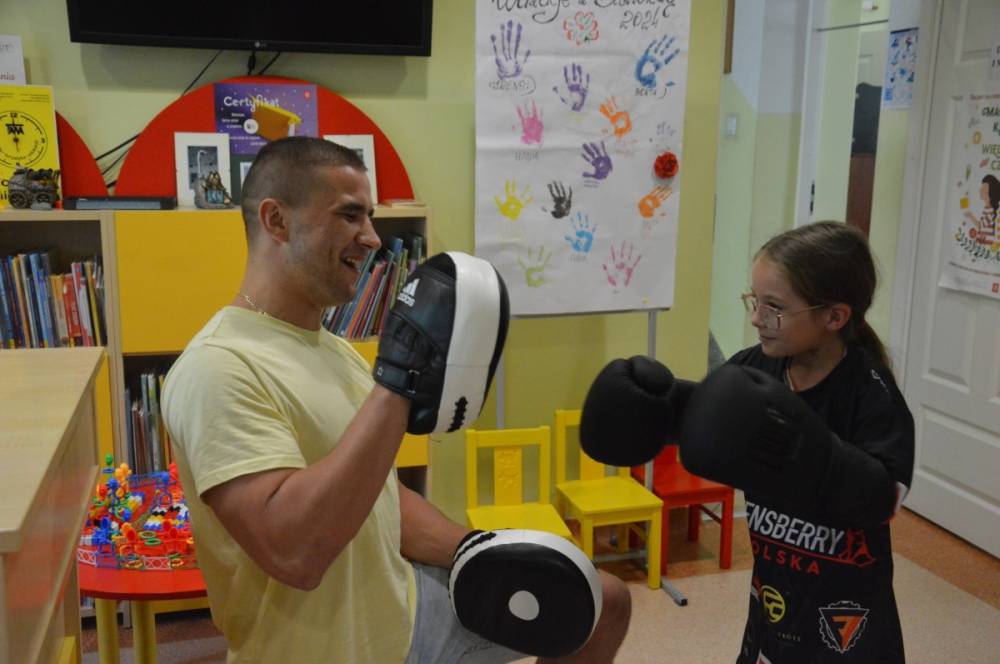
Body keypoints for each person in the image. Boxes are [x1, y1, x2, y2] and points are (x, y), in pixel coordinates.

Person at [160, 136, 631, 664]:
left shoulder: (334, 349)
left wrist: (477, 551)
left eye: (370, 217)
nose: (371, 238)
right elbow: (294, 555)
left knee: (599, 602)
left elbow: (379, 493)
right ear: (277, 221)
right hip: (325, 651)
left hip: (405, 610)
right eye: (350, 215)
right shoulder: (219, 367)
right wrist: (397, 381)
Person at [579, 221, 914, 662]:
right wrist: (661, 409)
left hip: (848, 612)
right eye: (755, 301)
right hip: (773, 594)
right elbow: (714, 422)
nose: (757, 318)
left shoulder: (870, 392)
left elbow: (883, 496)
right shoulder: (754, 369)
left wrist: (805, 452)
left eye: (774, 307)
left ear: (834, 317)